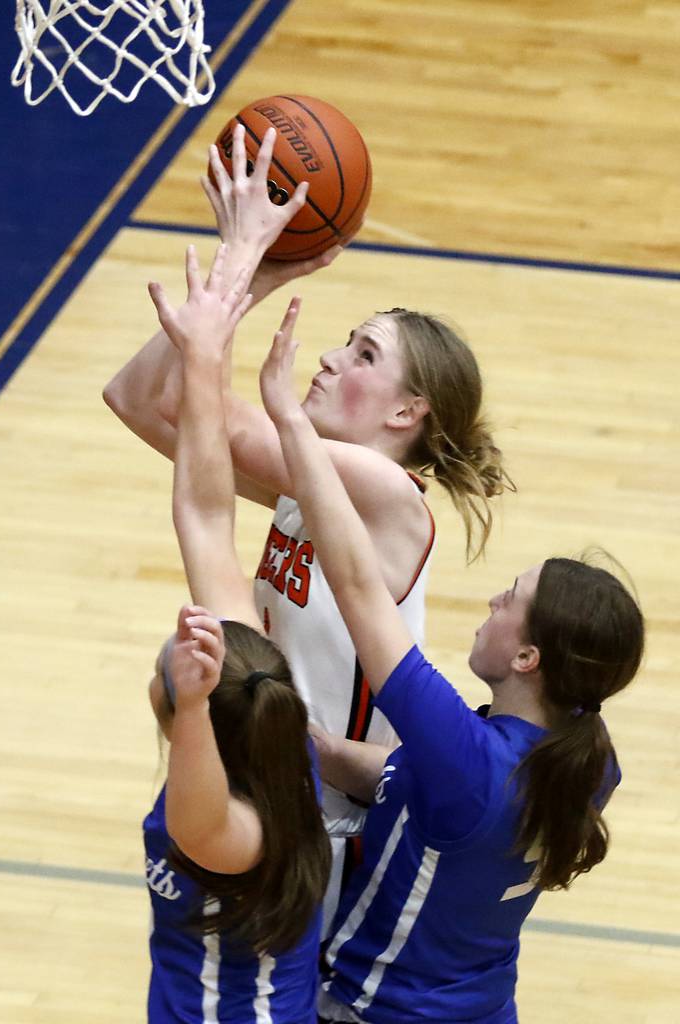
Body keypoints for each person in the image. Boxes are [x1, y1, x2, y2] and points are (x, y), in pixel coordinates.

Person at [104, 124, 511, 932]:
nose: (327, 357)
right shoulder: (310, 493)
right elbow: (140, 398)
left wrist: (242, 257)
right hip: (269, 789)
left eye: (362, 355)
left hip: (330, 829)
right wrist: (258, 271)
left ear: (407, 412)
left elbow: (207, 405)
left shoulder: (385, 492)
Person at [257, 300, 645, 1023]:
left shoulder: (465, 753)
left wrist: (286, 417)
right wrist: (305, 745)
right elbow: (402, 780)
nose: (492, 601)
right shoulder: (585, 757)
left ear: (528, 657)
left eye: (511, 601)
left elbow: (358, 588)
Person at [142, 246, 330, 1023]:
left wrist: (188, 707)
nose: (181, 645)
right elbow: (205, 515)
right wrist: (206, 348)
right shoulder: (269, 719)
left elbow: (195, 739)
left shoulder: (226, 833)